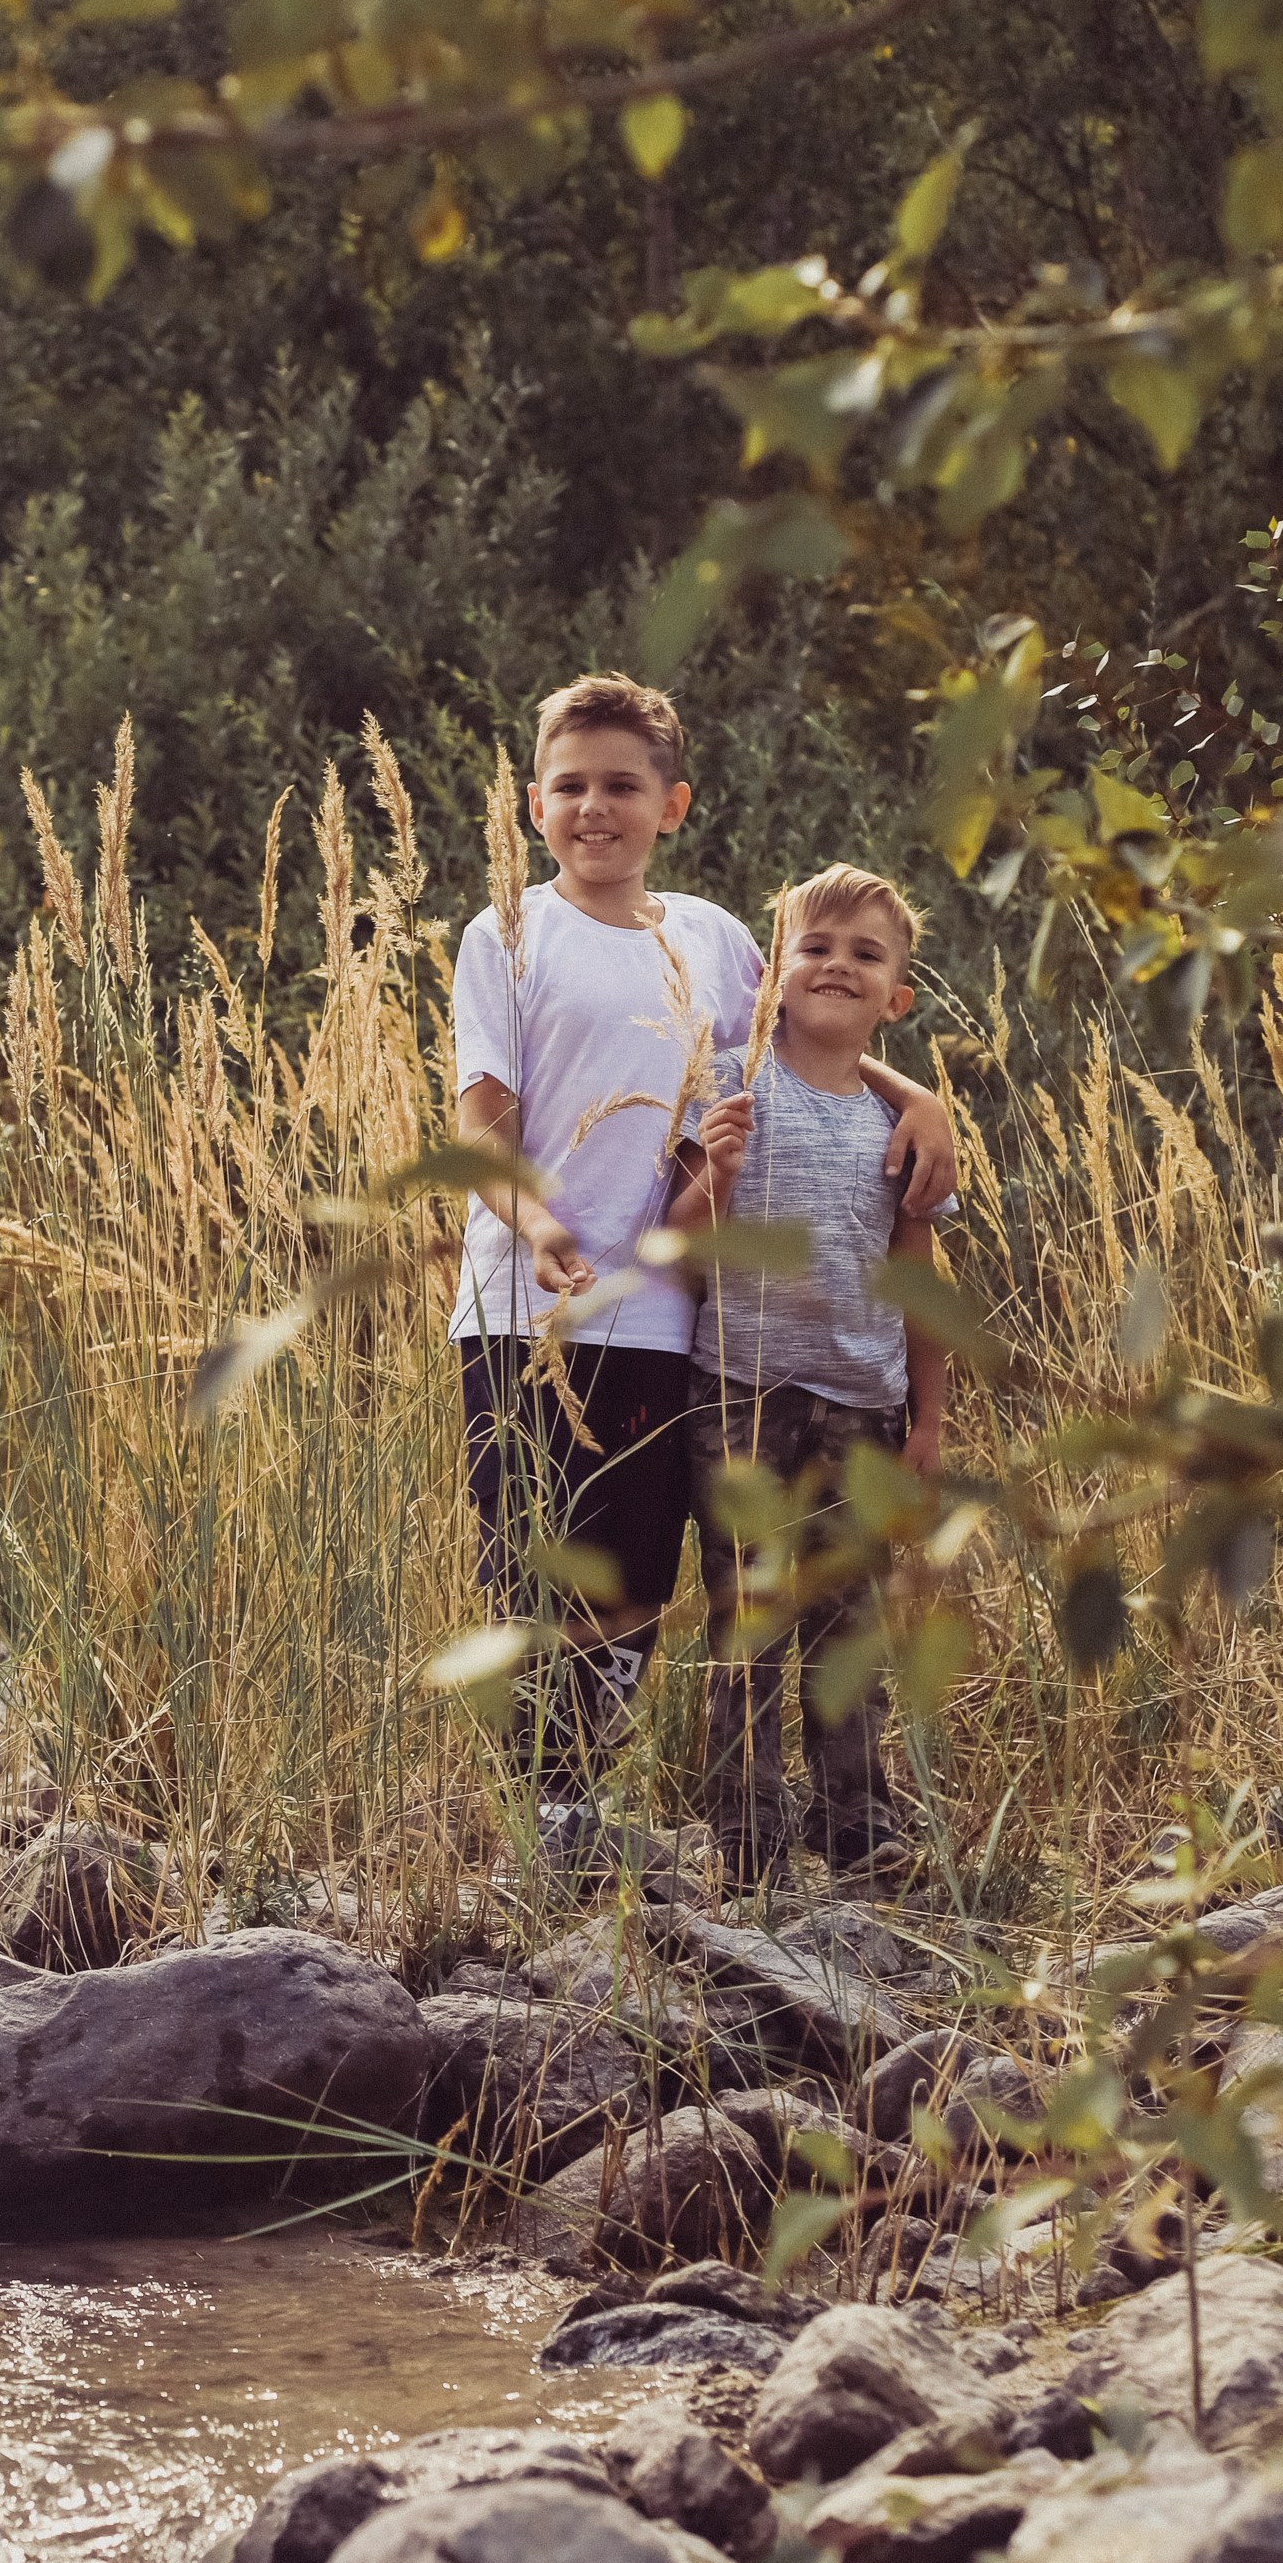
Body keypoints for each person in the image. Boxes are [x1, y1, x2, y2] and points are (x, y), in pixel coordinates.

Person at [448, 676, 958, 1863]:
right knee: (527, 1545)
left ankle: (580, 1800)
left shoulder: (714, 938)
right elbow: (479, 1121)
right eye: (569, 786)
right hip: (523, 1303)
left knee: (632, 1561)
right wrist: (535, 1224)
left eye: (621, 786)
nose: (594, 807)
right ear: (533, 805)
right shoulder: (507, 932)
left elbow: (810, 1044)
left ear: (670, 806)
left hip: (663, 1318)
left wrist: (916, 1096)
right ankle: (538, 1809)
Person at [668, 862, 952, 1887]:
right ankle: (746, 1841)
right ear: (773, 975)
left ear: (896, 998)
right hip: (740, 1395)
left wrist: (929, 1419)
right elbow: (678, 1243)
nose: (837, 966)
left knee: (851, 1617)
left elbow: (918, 1276)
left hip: (864, 1405)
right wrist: (716, 1172)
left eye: (865, 955)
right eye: (815, 948)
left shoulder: (901, 1125)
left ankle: (858, 1826)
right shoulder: (730, 1085)